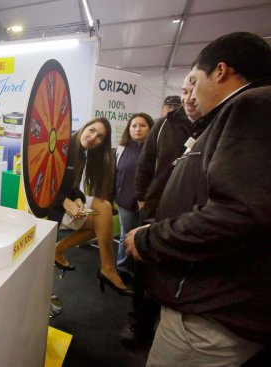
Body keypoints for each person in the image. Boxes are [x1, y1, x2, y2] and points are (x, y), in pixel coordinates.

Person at [125, 32, 271, 366]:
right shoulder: (233, 113)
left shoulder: (253, 106)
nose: (189, 93)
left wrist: (149, 238)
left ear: (220, 71)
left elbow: (237, 214)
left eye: (194, 80)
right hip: (214, 305)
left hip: (208, 316)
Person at [120, 73, 201, 347]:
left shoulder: (214, 125)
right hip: (156, 211)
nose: (189, 97)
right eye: (185, 90)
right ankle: (137, 326)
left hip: (192, 215)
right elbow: (146, 164)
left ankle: (163, 326)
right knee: (144, 272)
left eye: (194, 90)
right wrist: (143, 201)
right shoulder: (165, 124)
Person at [48, 117, 133, 297]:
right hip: (51, 205)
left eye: (100, 137)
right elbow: (46, 183)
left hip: (66, 201)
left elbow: (71, 186)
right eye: (92, 130)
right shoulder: (63, 146)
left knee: (103, 213)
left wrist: (78, 198)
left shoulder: (81, 153)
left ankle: (60, 250)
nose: (93, 137)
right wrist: (65, 201)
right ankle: (108, 269)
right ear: (85, 126)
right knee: (103, 213)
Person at [113, 113, 153, 280]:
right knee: (126, 234)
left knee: (144, 237)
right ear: (128, 129)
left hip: (148, 203)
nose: (137, 129)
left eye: (142, 125)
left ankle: (140, 270)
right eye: (133, 125)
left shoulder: (156, 149)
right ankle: (122, 268)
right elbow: (115, 175)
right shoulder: (121, 149)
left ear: (151, 128)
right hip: (125, 202)